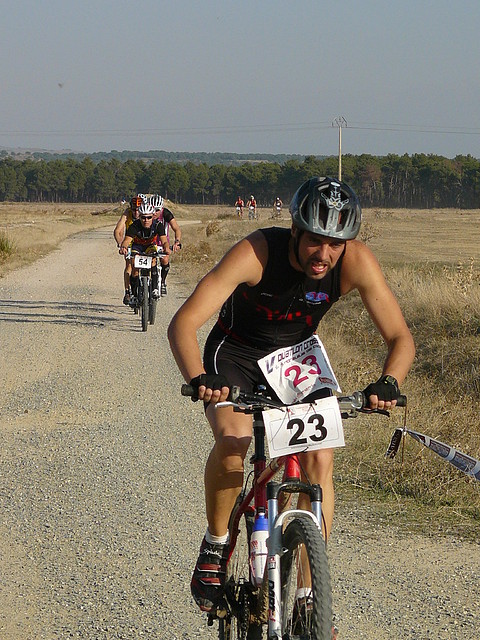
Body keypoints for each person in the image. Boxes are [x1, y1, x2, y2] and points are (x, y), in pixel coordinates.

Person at [167, 176, 415, 616]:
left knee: (321, 457)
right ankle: (215, 544)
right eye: (315, 242)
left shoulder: (355, 262)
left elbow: (400, 337)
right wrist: (201, 377)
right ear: (296, 232)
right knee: (233, 440)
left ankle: (306, 596)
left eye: (335, 245)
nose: (324, 255)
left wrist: (389, 382)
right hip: (237, 354)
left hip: (296, 361)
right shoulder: (256, 252)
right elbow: (184, 323)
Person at [119, 202, 170, 300]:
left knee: (153, 260)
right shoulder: (134, 226)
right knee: (134, 265)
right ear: (139, 217)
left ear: (153, 217)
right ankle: (133, 294)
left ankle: (155, 288)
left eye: (149, 217)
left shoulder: (158, 225)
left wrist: (166, 248)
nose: (146, 220)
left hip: (150, 246)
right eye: (143, 217)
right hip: (137, 246)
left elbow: (164, 241)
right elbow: (127, 240)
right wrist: (123, 248)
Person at [149, 194, 182, 296]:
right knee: (151, 262)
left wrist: (177, 241)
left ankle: (162, 281)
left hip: (163, 242)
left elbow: (176, 228)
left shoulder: (166, 214)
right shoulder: (147, 214)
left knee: (164, 260)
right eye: (153, 209)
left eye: (157, 210)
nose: (154, 213)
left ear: (162, 208)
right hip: (149, 242)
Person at [114, 195, 143, 304]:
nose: (136, 213)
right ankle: (127, 291)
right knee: (129, 265)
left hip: (144, 242)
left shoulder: (146, 215)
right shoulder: (127, 214)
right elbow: (118, 230)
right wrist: (120, 243)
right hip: (129, 243)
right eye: (134, 209)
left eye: (138, 210)